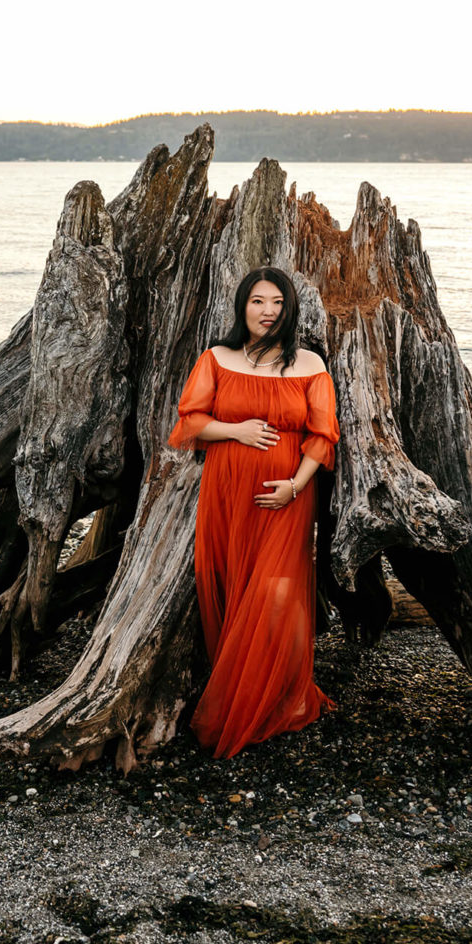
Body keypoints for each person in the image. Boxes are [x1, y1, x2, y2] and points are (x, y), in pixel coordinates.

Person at [166, 266, 340, 757]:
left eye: (278, 303)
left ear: (290, 310)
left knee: (277, 590)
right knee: (228, 578)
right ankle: (235, 687)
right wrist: (237, 430)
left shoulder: (308, 364)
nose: (268, 312)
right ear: (243, 306)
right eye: (259, 302)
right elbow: (190, 422)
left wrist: (295, 486)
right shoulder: (218, 358)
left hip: (284, 493)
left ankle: (275, 698)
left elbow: (322, 434)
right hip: (226, 488)